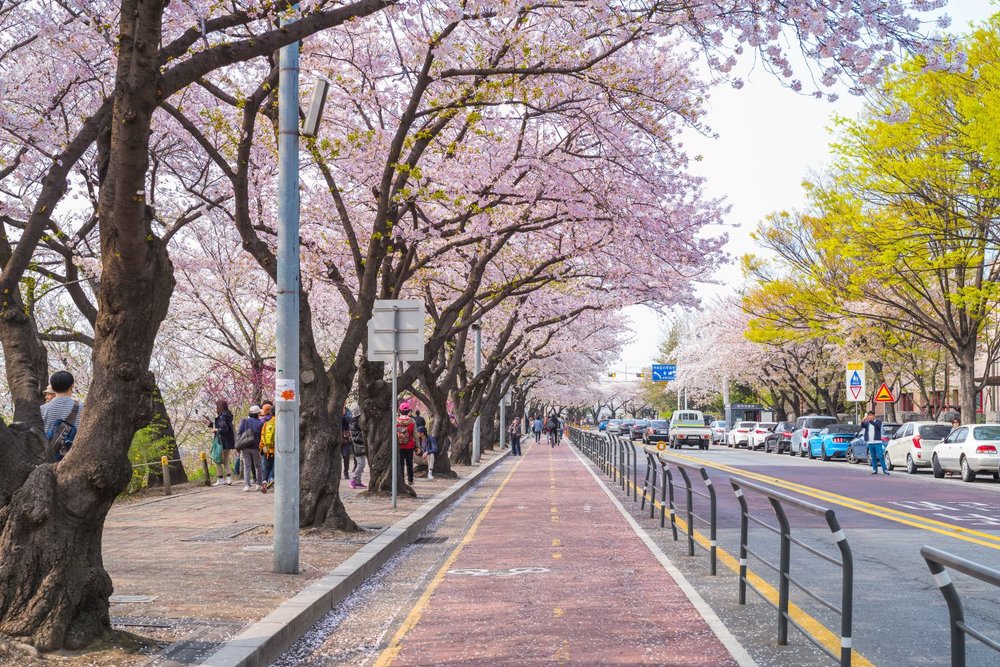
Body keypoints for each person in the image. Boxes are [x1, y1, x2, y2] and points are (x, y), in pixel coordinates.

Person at [41, 371, 82, 460]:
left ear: (53, 387)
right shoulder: (83, 408)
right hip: (74, 458)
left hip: (48, 458)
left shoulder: (42, 409)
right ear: (72, 386)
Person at [236, 405, 265, 492]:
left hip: (245, 446)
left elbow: (239, 432)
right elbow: (261, 435)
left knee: (247, 466)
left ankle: (247, 485)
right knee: (258, 466)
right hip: (256, 447)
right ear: (257, 414)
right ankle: (258, 484)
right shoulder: (260, 423)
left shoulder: (244, 421)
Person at [212, 400, 236, 486]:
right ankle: (229, 479)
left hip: (221, 442)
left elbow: (224, 429)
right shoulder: (228, 415)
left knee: (217, 460)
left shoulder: (221, 417)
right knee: (225, 460)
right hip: (229, 442)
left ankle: (220, 478)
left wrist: (216, 429)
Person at [861, 410, 888, 476]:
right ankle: (874, 469)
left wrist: (870, 421)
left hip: (877, 442)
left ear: (874, 416)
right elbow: (862, 426)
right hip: (870, 442)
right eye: (869, 415)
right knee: (873, 457)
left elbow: (877, 425)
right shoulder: (867, 423)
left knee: (880, 456)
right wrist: (862, 420)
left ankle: (885, 469)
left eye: (871, 415)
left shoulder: (878, 422)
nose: (869, 417)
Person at [397, 401, 417, 485]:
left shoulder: (396, 421)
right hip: (409, 445)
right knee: (409, 463)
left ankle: (401, 480)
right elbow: (415, 435)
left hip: (399, 446)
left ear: (399, 411)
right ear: (408, 411)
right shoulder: (412, 421)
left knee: (400, 463)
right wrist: (418, 446)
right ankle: (410, 479)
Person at [349, 407, 368, 489]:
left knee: (362, 464)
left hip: (359, 445)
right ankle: (353, 479)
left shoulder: (354, 421)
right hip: (357, 445)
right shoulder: (356, 423)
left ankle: (358, 481)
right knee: (361, 464)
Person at [259, 402, 275, 490]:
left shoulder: (265, 423)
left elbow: (262, 436)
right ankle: (272, 479)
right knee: (274, 464)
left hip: (266, 447)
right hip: (277, 448)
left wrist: (261, 447)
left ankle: (264, 481)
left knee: (266, 465)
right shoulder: (279, 422)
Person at [341, 406, 352, 480]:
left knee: (346, 455)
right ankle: (337, 473)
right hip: (335, 436)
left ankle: (346, 472)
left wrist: (344, 414)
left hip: (345, 438)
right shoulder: (333, 407)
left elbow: (350, 420)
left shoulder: (347, 411)